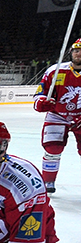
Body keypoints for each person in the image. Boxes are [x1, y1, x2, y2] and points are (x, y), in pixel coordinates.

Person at [33, 37, 81, 193]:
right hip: (57, 115)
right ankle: (48, 182)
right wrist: (41, 102)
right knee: (52, 149)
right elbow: (41, 93)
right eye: (76, 50)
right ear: (71, 52)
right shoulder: (56, 70)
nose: (78, 54)